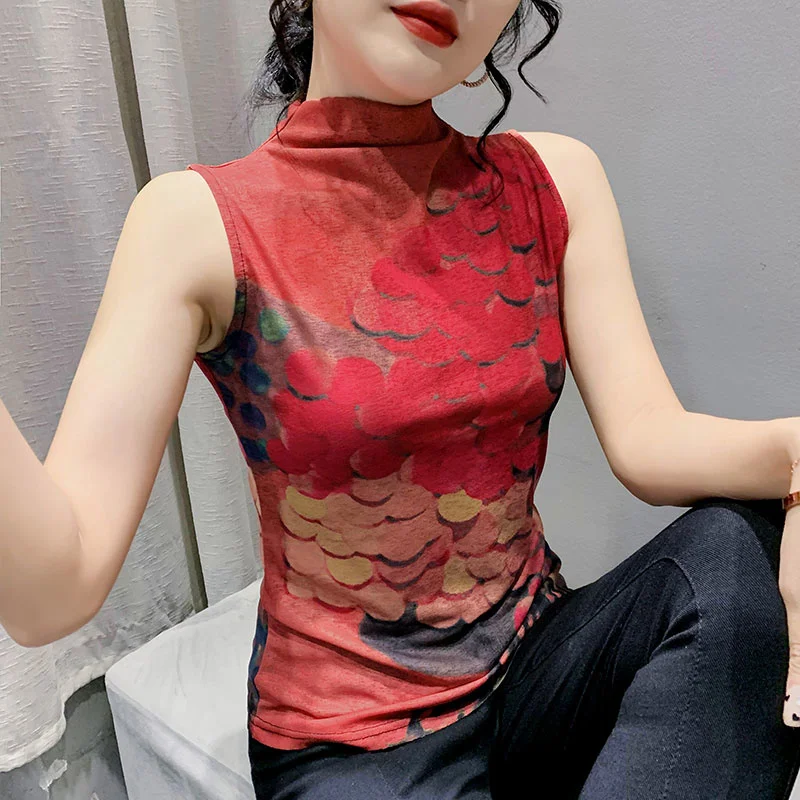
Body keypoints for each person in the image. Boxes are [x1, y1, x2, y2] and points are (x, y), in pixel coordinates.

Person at [2, 0, 800, 798]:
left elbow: (651, 441)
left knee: (733, 552)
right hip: (354, 747)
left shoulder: (552, 181)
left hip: (538, 671)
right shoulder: (197, 223)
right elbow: (52, 595)